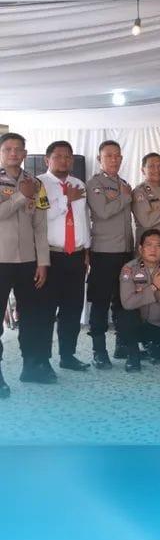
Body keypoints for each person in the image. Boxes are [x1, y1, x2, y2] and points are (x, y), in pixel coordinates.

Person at [0, 132, 51, 392]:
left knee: (32, 316)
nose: (13, 153)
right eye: (8, 149)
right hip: (1, 260)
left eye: (18, 149)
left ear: (25, 154)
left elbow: (40, 226)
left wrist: (43, 262)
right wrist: (20, 196)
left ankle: (30, 366)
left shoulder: (35, 183)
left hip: (28, 262)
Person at [37, 141, 90, 371]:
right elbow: (40, 217)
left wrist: (86, 248)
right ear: (47, 160)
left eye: (68, 156)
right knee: (46, 310)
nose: (64, 160)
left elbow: (83, 220)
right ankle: (42, 360)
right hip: (50, 256)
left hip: (76, 256)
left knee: (72, 309)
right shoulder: (39, 183)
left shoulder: (78, 184)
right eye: (58, 156)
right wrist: (66, 199)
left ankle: (68, 355)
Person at [86, 140, 135, 367]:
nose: (114, 159)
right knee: (100, 302)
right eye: (109, 156)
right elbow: (102, 212)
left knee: (123, 301)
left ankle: (121, 344)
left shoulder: (124, 184)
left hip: (125, 252)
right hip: (104, 253)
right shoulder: (95, 184)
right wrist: (125, 198)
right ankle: (99, 351)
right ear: (99, 159)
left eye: (117, 156)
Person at [118, 229, 160, 372]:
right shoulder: (129, 269)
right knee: (125, 315)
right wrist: (154, 286)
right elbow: (127, 303)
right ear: (140, 248)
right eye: (149, 245)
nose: (153, 249)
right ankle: (133, 356)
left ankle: (154, 346)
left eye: (158, 245)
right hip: (138, 323)